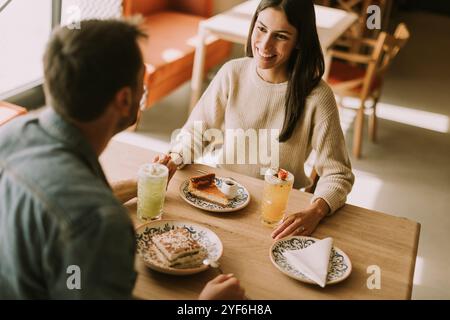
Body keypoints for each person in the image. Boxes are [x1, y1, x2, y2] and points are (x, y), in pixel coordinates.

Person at [0, 19, 245, 300]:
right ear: (125, 99)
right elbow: (85, 215)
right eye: (143, 82)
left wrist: (142, 183)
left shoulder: (9, 135)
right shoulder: (101, 223)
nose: (144, 91)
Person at [169, 0, 355, 239]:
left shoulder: (318, 97)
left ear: (300, 41)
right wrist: (175, 157)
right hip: (223, 199)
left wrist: (316, 210)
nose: (265, 44)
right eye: (261, 28)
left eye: (281, 36)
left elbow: (338, 173)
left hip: (279, 215)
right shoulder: (232, 73)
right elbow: (196, 133)